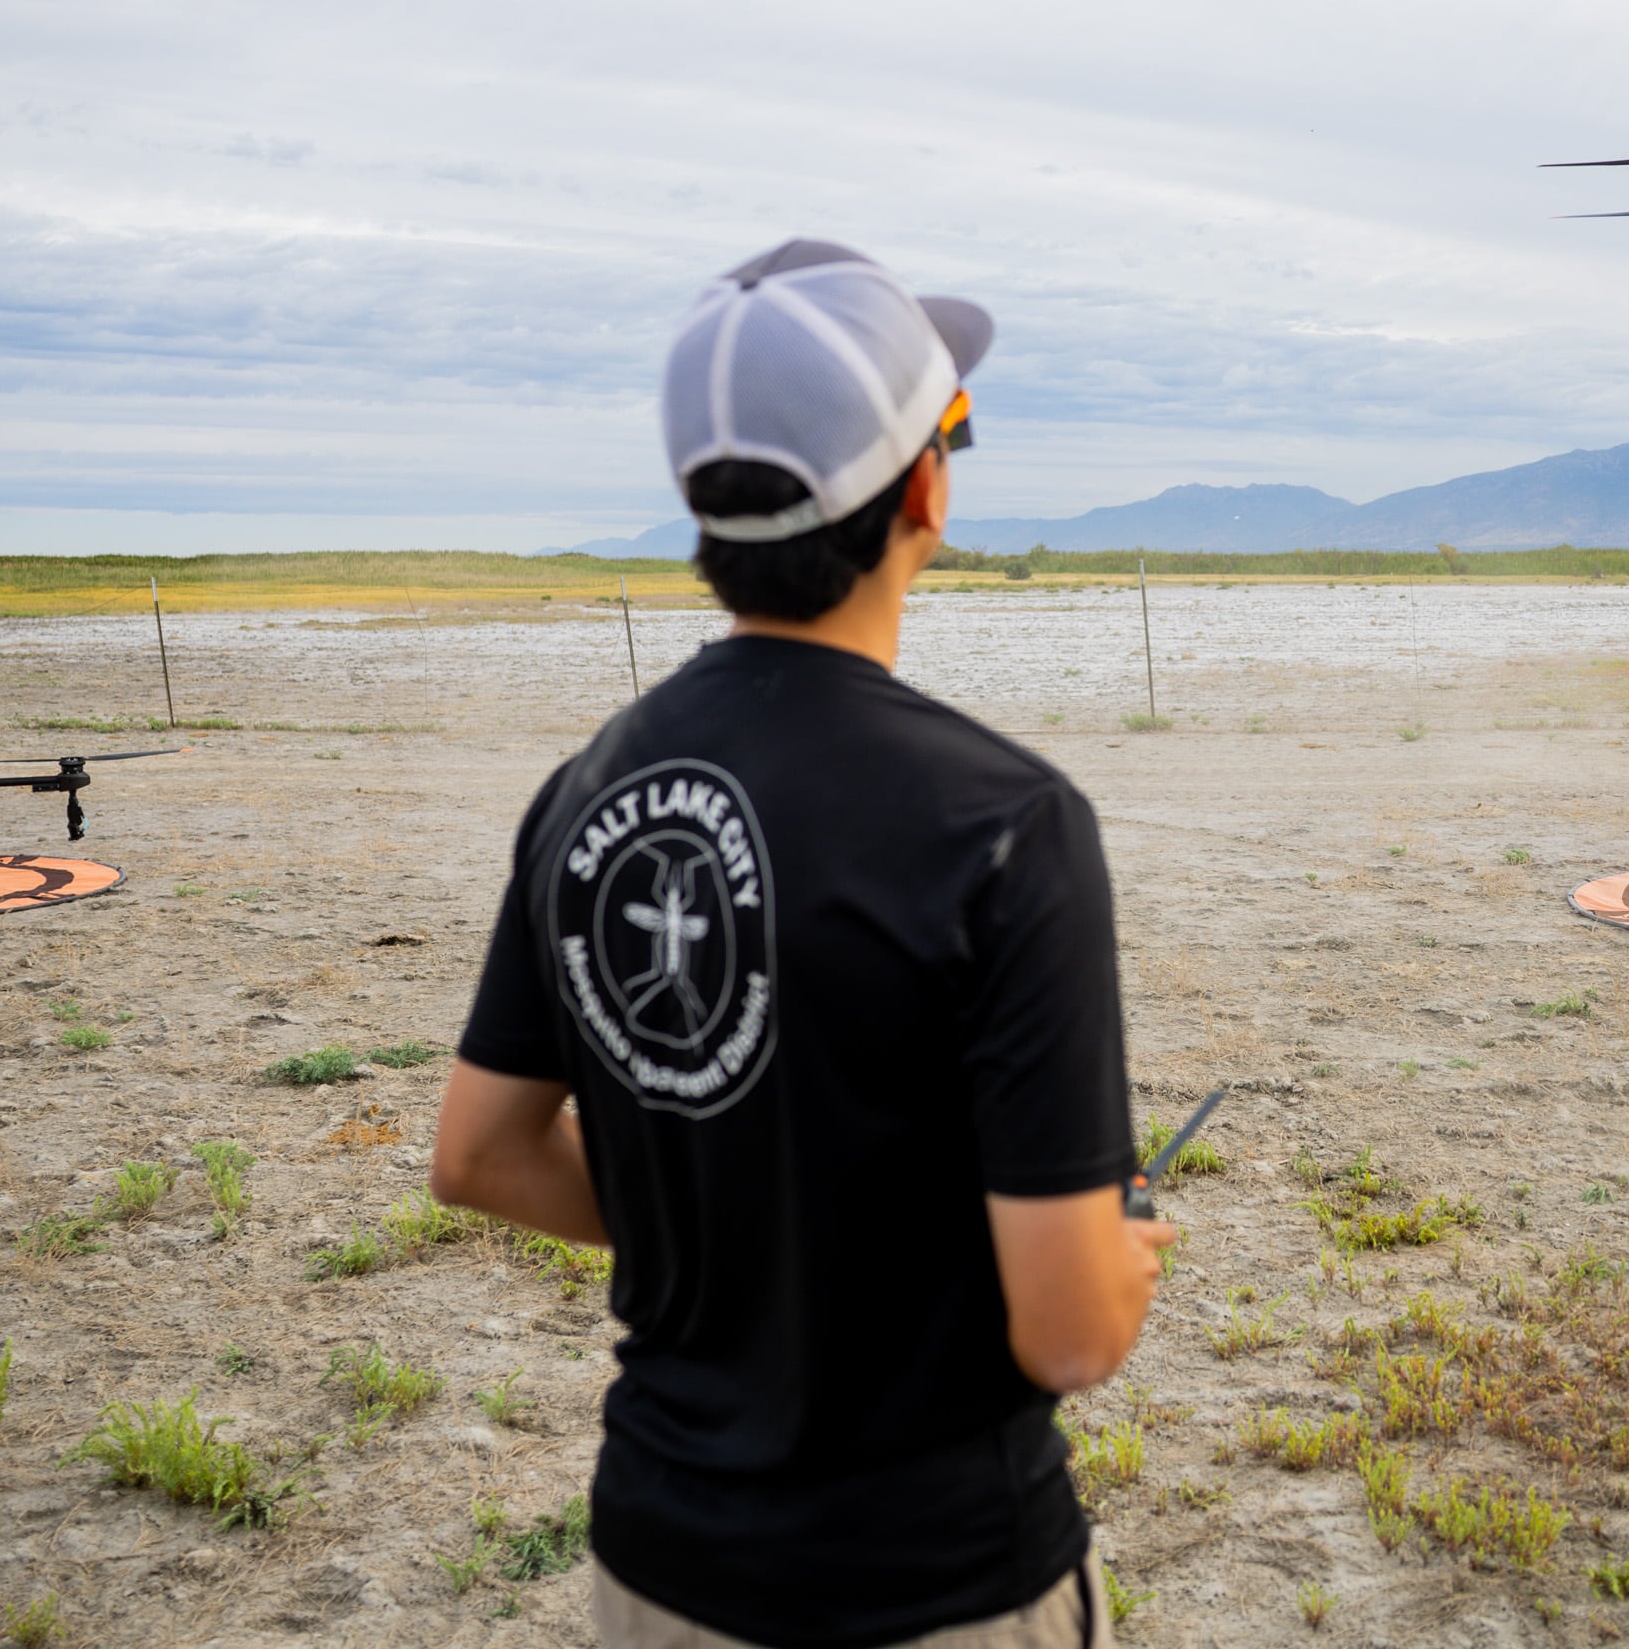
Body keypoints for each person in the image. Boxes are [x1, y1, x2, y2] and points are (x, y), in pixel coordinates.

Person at [432, 238, 1176, 1649]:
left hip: (657, 1564)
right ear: (925, 492)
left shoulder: (588, 787)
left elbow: (480, 1156)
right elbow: (1071, 1333)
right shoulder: (1006, 824)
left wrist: (712, 1214)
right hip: (936, 1581)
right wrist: (1121, 1252)